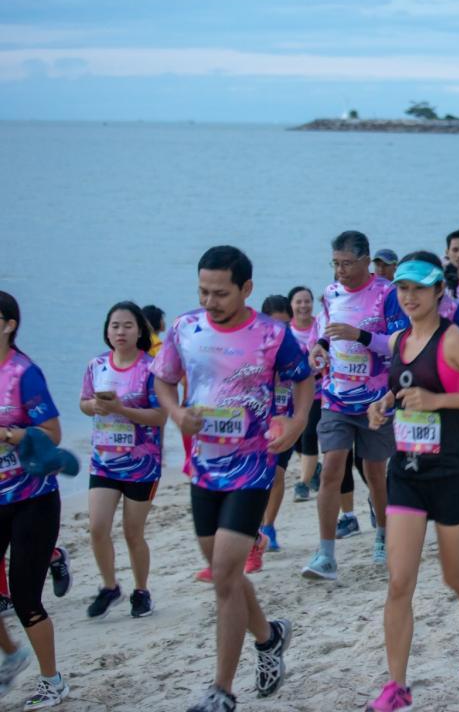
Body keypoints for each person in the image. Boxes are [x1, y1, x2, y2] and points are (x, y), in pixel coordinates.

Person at [152, 247, 313, 712]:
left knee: (224, 574)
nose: (210, 301)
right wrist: (175, 412)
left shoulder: (272, 334)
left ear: (246, 289)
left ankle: (221, 691)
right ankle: (269, 637)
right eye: (203, 291)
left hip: (253, 466)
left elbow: (303, 378)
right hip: (204, 466)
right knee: (227, 578)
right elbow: (163, 379)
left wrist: (297, 422)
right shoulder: (185, 328)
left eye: (220, 293)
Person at [364, 252, 459, 712]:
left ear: (438, 292)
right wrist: (383, 404)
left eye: (418, 289)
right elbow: (403, 386)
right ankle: (397, 686)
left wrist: (438, 400)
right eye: (403, 289)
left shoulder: (454, 340)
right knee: (399, 582)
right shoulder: (399, 339)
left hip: (454, 473)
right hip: (407, 473)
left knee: (453, 574)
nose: (409, 297)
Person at [305, 231, 404, 579]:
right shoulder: (331, 293)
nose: (340, 271)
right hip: (335, 397)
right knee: (331, 468)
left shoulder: (387, 294)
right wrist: (319, 347)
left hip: (376, 400)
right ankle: (326, 554)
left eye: (347, 263)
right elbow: (325, 331)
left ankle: (383, 535)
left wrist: (360, 336)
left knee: (375, 473)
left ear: (365, 261)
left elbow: (400, 344)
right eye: (335, 263)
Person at [0, 291, 70, 710]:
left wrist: (8, 434)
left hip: (33, 498)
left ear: (9, 325)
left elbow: (53, 434)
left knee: (25, 597)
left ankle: (52, 681)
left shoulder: (23, 374)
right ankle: (12, 656)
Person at [79, 301, 165, 620]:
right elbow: (83, 402)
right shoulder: (97, 365)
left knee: (132, 532)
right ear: (107, 330)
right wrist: (94, 407)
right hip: (104, 461)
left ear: (140, 330)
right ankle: (109, 586)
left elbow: (160, 416)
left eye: (128, 326)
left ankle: (141, 591)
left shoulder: (151, 369)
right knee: (97, 527)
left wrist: (122, 410)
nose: (120, 332)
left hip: (142, 466)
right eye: (115, 325)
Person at [256, 295, 305, 554]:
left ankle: (268, 527)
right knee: (255, 478)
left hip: (284, 421)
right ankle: (252, 527)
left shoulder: (295, 349)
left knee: (276, 474)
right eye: (274, 324)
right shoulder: (252, 350)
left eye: (285, 325)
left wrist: (299, 420)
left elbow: (306, 383)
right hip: (255, 424)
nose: (279, 331)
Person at [287, 286, 322, 503]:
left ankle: (302, 484)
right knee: (296, 439)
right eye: (298, 302)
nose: (303, 306)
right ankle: (314, 468)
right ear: (291, 305)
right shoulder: (285, 331)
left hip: (318, 392)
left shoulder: (320, 326)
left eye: (307, 301)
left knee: (309, 434)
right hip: (291, 394)